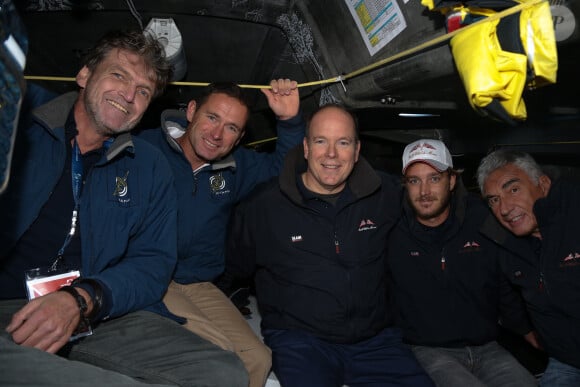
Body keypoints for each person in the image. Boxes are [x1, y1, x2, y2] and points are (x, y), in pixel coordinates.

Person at [0, 29, 248, 386]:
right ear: (85, 74)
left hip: (93, 310)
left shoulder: (147, 165)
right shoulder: (21, 129)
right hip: (6, 306)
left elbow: (153, 262)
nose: (129, 95)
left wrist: (82, 299)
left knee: (225, 373)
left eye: (143, 91)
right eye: (119, 75)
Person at [226, 104, 435, 387]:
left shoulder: (385, 195)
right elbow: (233, 267)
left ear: (357, 150)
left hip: (375, 342)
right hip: (301, 342)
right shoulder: (263, 206)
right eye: (321, 141)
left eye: (343, 142)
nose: (332, 154)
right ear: (306, 147)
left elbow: (436, 212)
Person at [139, 79, 303, 387]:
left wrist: (289, 120)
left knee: (258, 358)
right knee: (219, 353)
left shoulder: (235, 167)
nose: (217, 134)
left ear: (240, 138)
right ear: (191, 111)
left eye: (231, 128)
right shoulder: (145, 149)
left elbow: (286, 167)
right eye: (212, 117)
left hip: (200, 283)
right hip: (153, 275)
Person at [386, 139, 537, 387]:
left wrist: (529, 331)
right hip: (427, 351)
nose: (424, 191)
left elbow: (506, 282)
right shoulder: (392, 229)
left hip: (488, 348)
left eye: (434, 178)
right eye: (415, 181)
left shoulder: (481, 220)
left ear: (452, 180)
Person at [477, 149, 580, 386]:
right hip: (566, 361)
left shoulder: (574, 211)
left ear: (543, 185)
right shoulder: (503, 242)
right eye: (493, 199)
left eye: (513, 189)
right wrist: (531, 333)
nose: (504, 209)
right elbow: (508, 298)